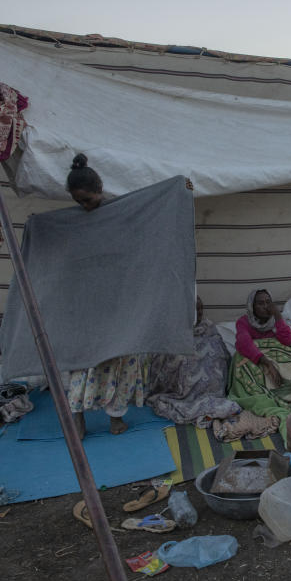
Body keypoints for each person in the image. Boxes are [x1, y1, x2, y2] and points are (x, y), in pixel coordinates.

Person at [65, 155, 145, 437]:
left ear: (100, 188)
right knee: (83, 362)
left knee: (120, 360)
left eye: (87, 199)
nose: (84, 207)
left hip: (119, 301)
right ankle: (77, 418)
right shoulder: (74, 222)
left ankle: (115, 418)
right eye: (78, 202)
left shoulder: (121, 214)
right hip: (88, 303)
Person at [146, 297, 241, 426]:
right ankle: (191, 399)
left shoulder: (209, 327)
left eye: (201, 308)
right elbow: (164, 361)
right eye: (195, 309)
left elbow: (222, 352)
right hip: (183, 391)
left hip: (215, 392)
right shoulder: (174, 330)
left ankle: (211, 397)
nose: (200, 312)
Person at [235, 289, 291, 387]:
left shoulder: (277, 320)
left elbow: (287, 341)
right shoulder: (244, 322)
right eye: (260, 303)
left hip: (277, 361)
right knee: (240, 357)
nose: (266, 307)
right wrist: (267, 363)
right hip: (257, 361)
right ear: (252, 307)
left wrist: (277, 315)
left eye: (268, 302)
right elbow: (244, 343)